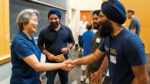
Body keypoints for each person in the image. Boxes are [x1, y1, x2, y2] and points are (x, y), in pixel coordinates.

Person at [69, 0, 149, 84]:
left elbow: (143, 80)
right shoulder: (108, 38)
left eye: (101, 17)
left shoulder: (131, 41)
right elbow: (94, 57)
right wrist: (75, 62)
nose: (98, 20)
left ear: (111, 19)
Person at [10, 9, 70, 84]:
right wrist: (61, 65)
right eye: (34, 20)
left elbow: (34, 61)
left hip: (33, 79)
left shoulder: (30, 38)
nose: (37, 23)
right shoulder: (20, 41)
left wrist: (37, 76)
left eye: (37, 21)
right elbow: (37, 65)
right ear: (24, 22)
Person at [37, 9, 75, 84]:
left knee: (65, 81)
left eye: (55, 18)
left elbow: (72, 42)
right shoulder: (44, 32)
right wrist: (48, 54)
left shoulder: (67, 30)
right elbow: (39, 45)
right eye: (51, 19)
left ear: (59, 19)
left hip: (64, 61)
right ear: (49, 19)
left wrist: (67, 48)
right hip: (50, 62)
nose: (53, 20)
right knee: (50, 81)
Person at [87, 10, 109, 84]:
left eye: (96, 19)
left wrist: (100, 71)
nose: (94, 21)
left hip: (97, 71)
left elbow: (108, 55)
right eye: (93, 18)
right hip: (91, 68)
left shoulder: (106, 35)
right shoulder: (96, 33)